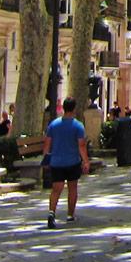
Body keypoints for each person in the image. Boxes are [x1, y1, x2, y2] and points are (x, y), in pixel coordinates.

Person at [43, 97, 90, 229]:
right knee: (72, 188)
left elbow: (47, 143)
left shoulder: (54, 125)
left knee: (56, 189)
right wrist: (86, 161)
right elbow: (81, 146)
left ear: (63, 108)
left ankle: (51, 213)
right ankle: (70, 215)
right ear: (74, 108)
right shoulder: (78, 126)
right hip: (72, 161)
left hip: (56, 162)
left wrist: (46, 159)